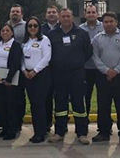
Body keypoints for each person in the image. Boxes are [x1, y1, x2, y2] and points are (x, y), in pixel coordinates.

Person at [47, 8, 92, 145]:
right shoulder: (52, 34)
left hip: (77, 73)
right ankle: (59, 132)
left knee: (79, 103)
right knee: (60, 103)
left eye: (68, 16)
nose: (66, 18)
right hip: (59, 73)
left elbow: (88, 52)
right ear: (59, 18)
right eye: (63, 16)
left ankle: (82, 133)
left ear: (72, 17)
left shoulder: (82, 34)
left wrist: (76, 62)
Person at [90, 12, 120, 144]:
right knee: (103, 105)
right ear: (102, 23)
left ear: (116, 22)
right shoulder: (97, 38)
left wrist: (116, 70)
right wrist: (106, 70)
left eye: (111, 21)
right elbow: (95, 57)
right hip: (103, 76)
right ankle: (103, 132)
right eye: (106, 22)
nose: (108, 24)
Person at [22, 16, 52, 143]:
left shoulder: (44, 40)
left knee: (39, 104)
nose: (32, 28)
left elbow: (47, 57)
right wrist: (24, 70)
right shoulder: (25, 41)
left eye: (35, 25)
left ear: (39, 27)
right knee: (33, 104)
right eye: (30, 26)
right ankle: (38, 130)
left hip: (41, 75)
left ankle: (40, 132)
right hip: (28, 76)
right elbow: (22, 58)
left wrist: (35, 71)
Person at [0, 24, 22, 140]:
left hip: (10, 80)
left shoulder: (16, 45)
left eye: (7, 30)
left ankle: (11, 130)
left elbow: (15, 63)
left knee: (11, 106)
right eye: (2, 30)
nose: (5, 32)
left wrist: (8, 79)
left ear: (12, 33)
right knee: (1, 106)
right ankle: (4, 129)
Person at [79, 4, 104, 131]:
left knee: (103, 98)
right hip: (85, 68)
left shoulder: (104, 27)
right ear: (85, 14)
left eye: (93, 12)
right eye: (88, 12)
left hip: (101, 69)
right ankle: (84, 124)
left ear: (97, 13)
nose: (91, 14)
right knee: (85, 98)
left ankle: (104, 125)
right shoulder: (80, 29)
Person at [41, 5, 60, 137]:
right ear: (46, 15)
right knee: (46, 97)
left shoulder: (63, 28)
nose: (52, 14)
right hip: (45, 69)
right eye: (49, 12)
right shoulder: (40, 29)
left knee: (60, 98)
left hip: (59, 69)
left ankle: (61, 125)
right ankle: (47, 123)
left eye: (54, 12)